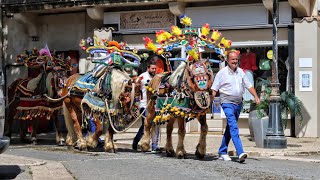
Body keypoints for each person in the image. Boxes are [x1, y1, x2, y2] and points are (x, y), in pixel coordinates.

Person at [211, 50, 260, 163]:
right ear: (227, 60)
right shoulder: (221, 73)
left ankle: (222, 151)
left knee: (229, 128)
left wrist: (256, 96)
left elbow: (249, 85)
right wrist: (210, 101)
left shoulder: (241, 72)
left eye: (236, 59)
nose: (235, 61)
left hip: (238, 103)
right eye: (232, 59)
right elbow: (214, 89)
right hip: (227, 102)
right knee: (233, 127)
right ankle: (240, 152)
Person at [132, 61, 161, 153]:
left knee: (156, 124)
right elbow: (135, 90)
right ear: (148, 68)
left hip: (156, 105)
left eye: (155, 69)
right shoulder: (142, 77)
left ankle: (154, 146)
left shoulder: (158, 77)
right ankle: (137, 141)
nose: (154, 70)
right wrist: (135, 105)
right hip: (144, 105)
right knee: (146, 125)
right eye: (152, 68)